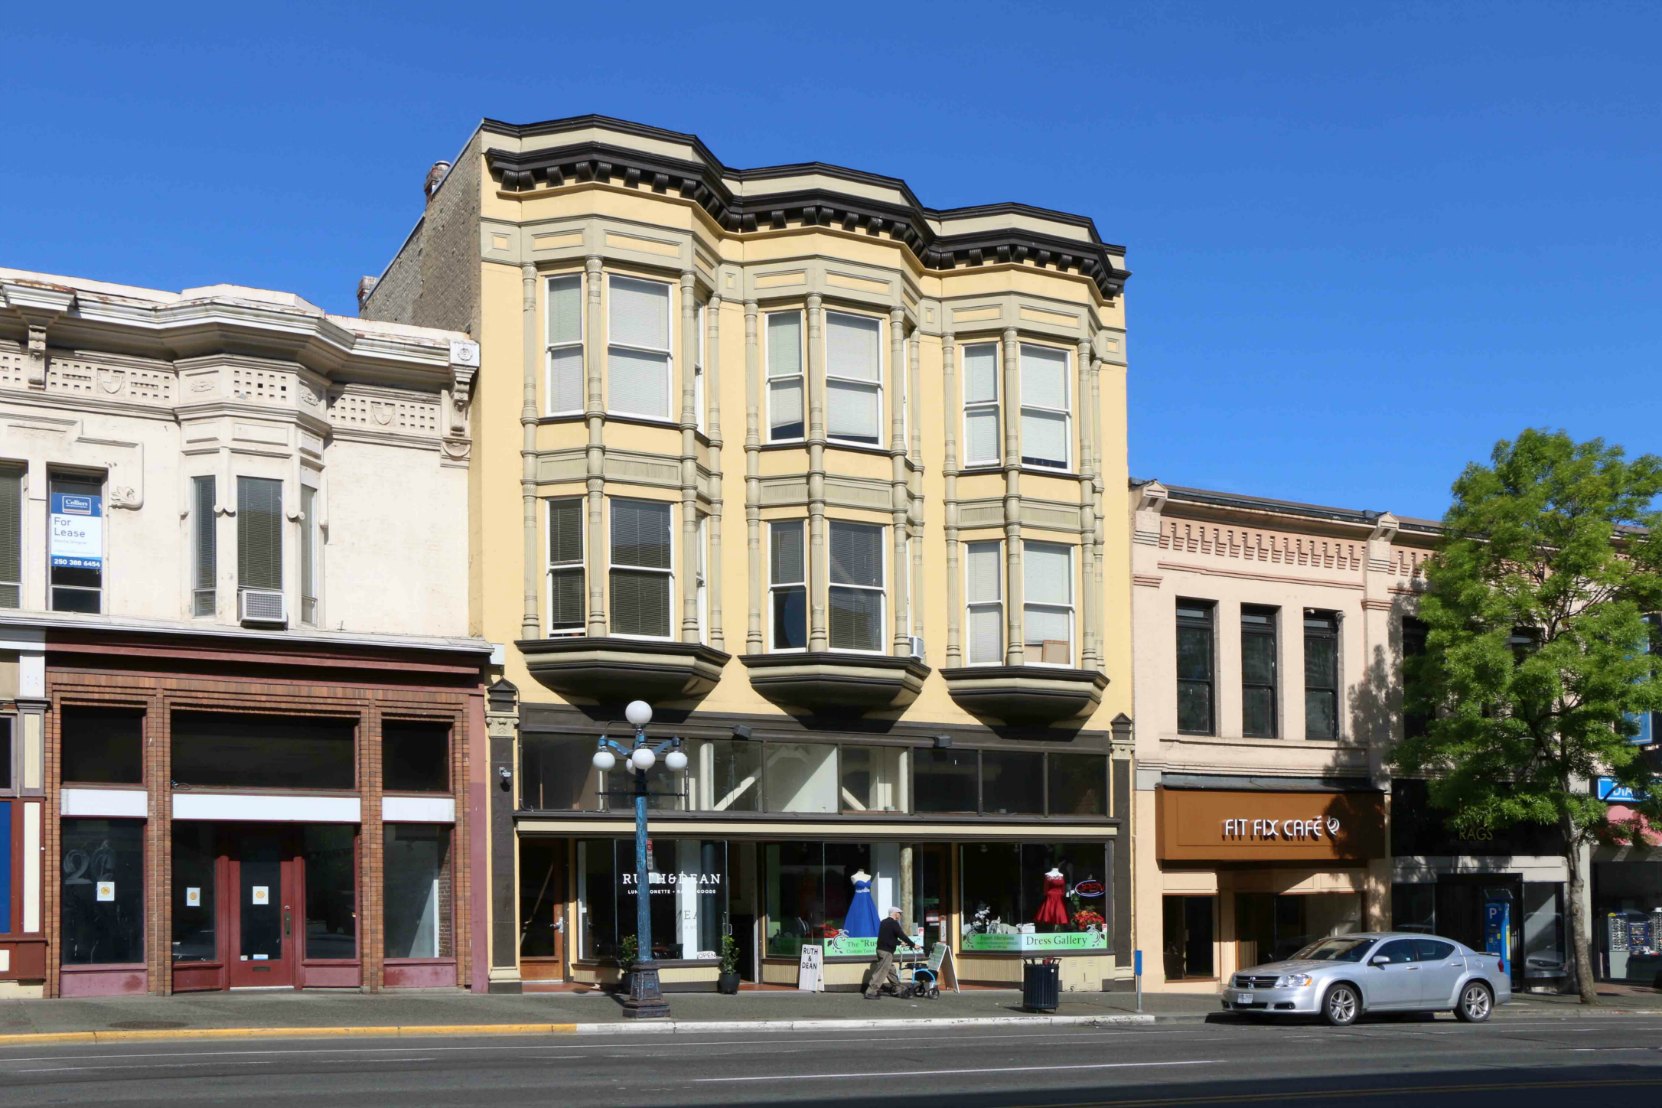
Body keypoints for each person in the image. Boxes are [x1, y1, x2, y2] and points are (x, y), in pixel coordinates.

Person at [864, 906, 919, 1000]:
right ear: (895, 913)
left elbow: (886, 938)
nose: (900, 915)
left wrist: (899, 943)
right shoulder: (894, 923)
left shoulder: (884, 922)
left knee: (891, 971)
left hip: (881, 949)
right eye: (899, 913)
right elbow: (901, 935)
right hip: (886, 951)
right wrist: (913, 945)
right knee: (881, 971)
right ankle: (871, 991)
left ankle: (898, 989)